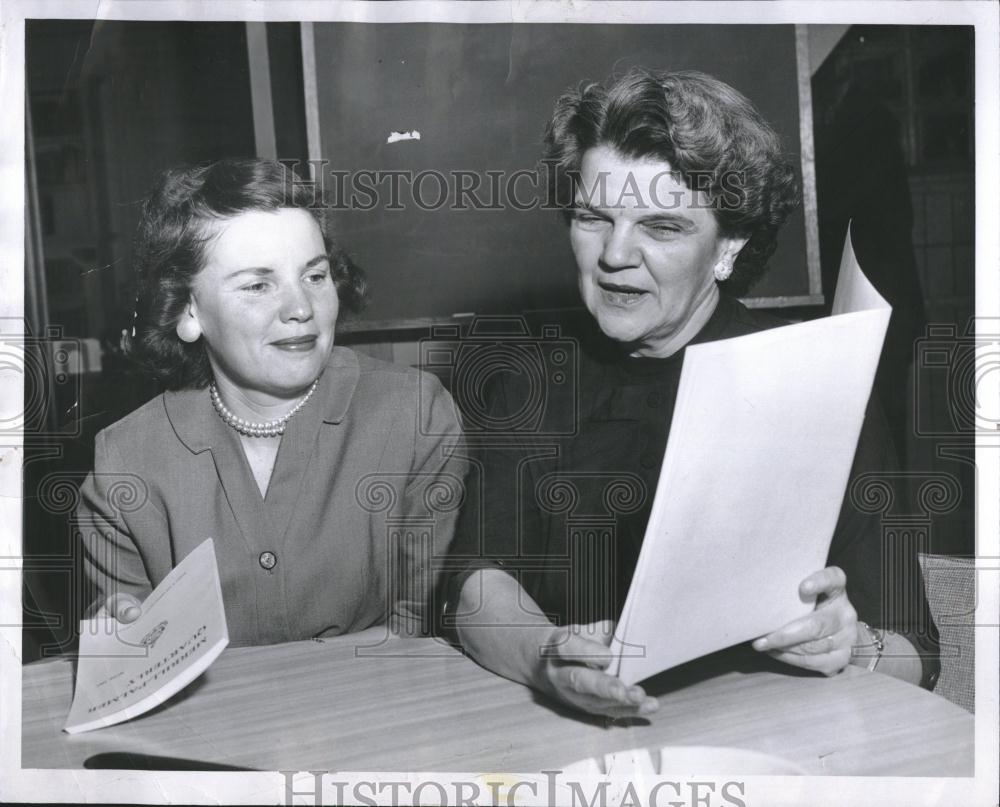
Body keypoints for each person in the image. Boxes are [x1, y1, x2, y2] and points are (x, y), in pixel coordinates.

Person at [444, 69, 940, 718]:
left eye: (663, 227)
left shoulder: (811, 380)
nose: (615, 254)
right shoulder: (526, 377)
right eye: (594, 217)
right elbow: (474, 585)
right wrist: (549, 656)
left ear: (728, 247)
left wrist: (856, 645)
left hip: (768, 741)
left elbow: (917, 649)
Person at [77, 159, 466, 645]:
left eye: (315, 276)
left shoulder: (414, 414)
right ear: (187, 311)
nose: (301, 308)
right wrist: (118, 633)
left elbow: (424, 623)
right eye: (258, 285)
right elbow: (133, 658)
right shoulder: (124, 461)